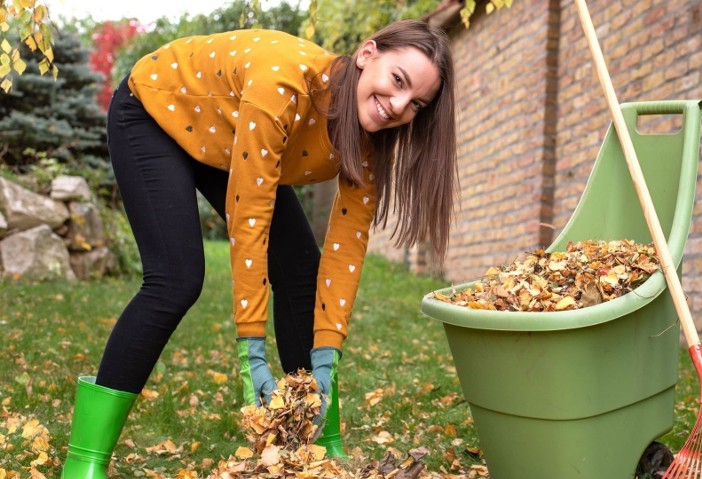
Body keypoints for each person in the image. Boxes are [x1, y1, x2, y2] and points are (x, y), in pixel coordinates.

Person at [61, 19, 457, 478]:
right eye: (398, 81)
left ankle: (316, 443)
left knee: (302, 271)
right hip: (155, 111)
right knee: (175, 279)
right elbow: (252, 217)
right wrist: (252, 353)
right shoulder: (283, 80)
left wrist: (327, 357)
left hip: (224, 138)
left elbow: (345, 251)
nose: (399, 105)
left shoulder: (368, 140)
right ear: (368, 54)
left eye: (416, 104)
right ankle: (84, 462)